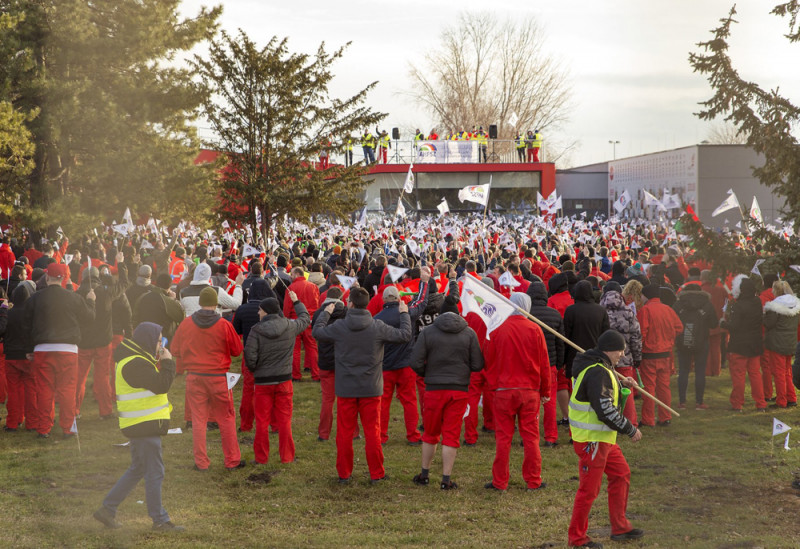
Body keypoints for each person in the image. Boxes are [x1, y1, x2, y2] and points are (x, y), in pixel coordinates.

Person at [312, 287, 411, 484]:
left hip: (347, 387)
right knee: (372, 431)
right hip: (370, 387)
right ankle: (376, 473)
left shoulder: (341, 326)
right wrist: (404, 314)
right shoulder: (377, 326)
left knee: (345, 432)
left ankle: (344, 473)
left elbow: (317, 331)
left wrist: (325, 313)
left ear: (350, 304)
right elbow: (405, 335)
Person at [93, 322, 184, 533]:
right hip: (144, 425)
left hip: (140, 424)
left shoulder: (136, 359)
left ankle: (107, 509)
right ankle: (159, 520)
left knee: (138, 469)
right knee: (155, 471)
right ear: (148, 340)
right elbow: (162, 384)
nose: (160, 344)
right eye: (158, 339)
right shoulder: (136, 363)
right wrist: (169, 362)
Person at [568, 330, 644, 548]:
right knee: (588, 491)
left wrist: (623, 385)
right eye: (620, 350)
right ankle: (577, 538)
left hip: (603, 439)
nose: (622, 354)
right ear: (610, 349)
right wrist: (630, 429)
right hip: (592, 441)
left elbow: (603, 393)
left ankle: (620, 527)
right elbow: (604, 410)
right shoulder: (597, 371)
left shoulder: (600, 366)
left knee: (621, 474)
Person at [483, 292, 551, 492]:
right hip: (529, 391)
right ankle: (533, 480)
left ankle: (500, 481)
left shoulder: (497, 329)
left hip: (503, 390)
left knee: (503, 438)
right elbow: (544, 363)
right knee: (530, 437)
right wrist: (546, 390)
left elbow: (489, 359)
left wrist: (493, 384)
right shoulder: (535, 329)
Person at [171, 287, 244, 470]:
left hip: (195, 378)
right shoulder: (224, 325)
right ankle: (232, 460)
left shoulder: (186, 324)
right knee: (226, 418)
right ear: (216, 303)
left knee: (198, 419)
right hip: (219, 378)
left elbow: (174, 350)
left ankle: (201, 462)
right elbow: (236, 350)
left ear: (200, 303)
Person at [409, 308, 483, 490]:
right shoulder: (469, 333)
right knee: (451, 434)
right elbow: (478, 364)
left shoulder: (428, 332)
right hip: (458, 390)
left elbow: (415, 362)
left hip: (434, 389)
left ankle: (424, 474)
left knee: (430, 433)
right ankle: (446, 479)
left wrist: (428, 374)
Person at [21, 263, 96, 438]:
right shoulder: (73, 297)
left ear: (47, 277)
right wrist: (92, 301)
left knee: (44, 389)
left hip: (43, 349)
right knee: (67, 389)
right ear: (63, 278)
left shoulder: (35, 299)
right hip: (67, 349)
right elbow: (89, 318)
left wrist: (28, 348)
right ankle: (68, 428)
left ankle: (44, 428)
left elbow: (26, 325)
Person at [244, 291, 309, 464]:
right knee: (284, 421)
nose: (258, 313)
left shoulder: (256, 330)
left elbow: (249, 356)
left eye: (260, 310)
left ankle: (261, 458)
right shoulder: (289, 326)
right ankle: (287, 457)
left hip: (264, 382)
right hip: (284, 381)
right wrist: (297, 301)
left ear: (266, 311)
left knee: (262, 422)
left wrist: (256, 370)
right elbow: (305, 318)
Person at [375, 272, 429, 446]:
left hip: (386, 366)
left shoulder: (376, 319)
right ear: (399, 298)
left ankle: (381, 436)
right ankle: (413, 435)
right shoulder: (407, 314)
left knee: (383, 402)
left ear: (383, 300)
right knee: (410, 401)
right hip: (406, 365)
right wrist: (425, 283)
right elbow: (422, 302)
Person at [75, 257, 127, 420]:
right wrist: (121, 263)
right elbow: (125, 284)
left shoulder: (76, 295)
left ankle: (74, 410)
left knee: (79, 378)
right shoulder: (106, 292)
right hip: (103, 342)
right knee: (103, 377)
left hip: (83, 343)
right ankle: (105, 411)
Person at [232, 277, 276, 432]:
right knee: (272, 389)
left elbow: (235, 330)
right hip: (270, 354)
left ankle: (246, 424)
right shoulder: (273, 309)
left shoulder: (242, 309)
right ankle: (275, 424)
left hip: (249, 352)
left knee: (249, 389)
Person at [526, 280, 565, 447]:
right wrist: (559, 363)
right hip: (550, 365)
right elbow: (560, 344)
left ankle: (530, 435)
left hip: (529, 365)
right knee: (550, 402)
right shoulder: (555, 315)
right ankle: (550, 436)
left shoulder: (525, 314)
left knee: (530, 403)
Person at [637, 284, 683, 426]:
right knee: (664, 387)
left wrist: (638, 350)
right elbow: (679, 328)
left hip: (650, 354)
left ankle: (648, 419)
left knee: (649, 388)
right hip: (666, 354)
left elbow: (642, 333)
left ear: (646, 295)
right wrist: (668, 338)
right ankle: (665, 417)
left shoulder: (645, 310)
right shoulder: (668, 309)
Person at [721, 275, 767, 412]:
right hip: (755, 343)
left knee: (738, 376)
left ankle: (737, 404)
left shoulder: (738, 306)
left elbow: (734, 326)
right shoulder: (757, 302)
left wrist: (724, 324)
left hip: (739, 344)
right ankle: (761, 403)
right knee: (755, 374)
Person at [599, 282, 642, 425]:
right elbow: (636, 336)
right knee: (627, 389)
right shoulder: (629, 312)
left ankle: (610, 420)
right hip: (625, 357)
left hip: (604, 357)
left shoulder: (599, 311)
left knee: (606, 390)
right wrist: (637, 357)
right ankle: (630, 422)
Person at [312, 286, 348, 441]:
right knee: (346, 399)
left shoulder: (320, 314)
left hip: (327, 359)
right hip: (344, 360)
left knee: (328, 399)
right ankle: (351, 431)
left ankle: (324, 433)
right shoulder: (347, 313)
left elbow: (315, 332)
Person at [673, 284, 718, 410]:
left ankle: (682, 403)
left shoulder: (678, 304)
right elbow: (714, 324)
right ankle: (699, 403)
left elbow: (672, 322)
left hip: (682, 342)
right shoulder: (707, 304)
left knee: (683, 371)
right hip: (701, 342)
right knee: (700, 372)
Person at [762, 280, 799, 408]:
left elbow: (769, 324)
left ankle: (781, 400)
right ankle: (791, 398)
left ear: (776, 291)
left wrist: (764, 315)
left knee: (779, 373)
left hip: (777, 343)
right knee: (787, 371)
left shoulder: (774, 306)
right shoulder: (796, 304)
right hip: (790, 342)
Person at [284, 266, 320, 381]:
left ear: (296, 274)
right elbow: (317, 304)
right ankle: (316, 374)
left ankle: (296, 375)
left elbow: (287, 307)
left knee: (295, 349)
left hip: (295, 322)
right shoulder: (313, 286)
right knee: (312, 348)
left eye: (292, 274)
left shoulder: (291, 288)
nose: (290, 276)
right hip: (309, 320)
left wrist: (286, 319)